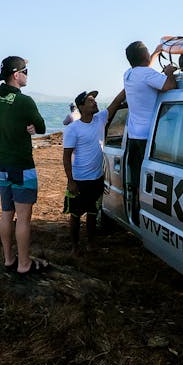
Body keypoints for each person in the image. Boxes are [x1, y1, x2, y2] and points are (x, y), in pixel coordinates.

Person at [0, 56, 48, 275]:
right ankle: (24, 264)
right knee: (23, 218)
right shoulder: (25, 101)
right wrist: (32, 126)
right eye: (26, 71)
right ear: (17, 75)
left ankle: (9, 259)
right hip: (22, 166)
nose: (27, 75)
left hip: (2, 164)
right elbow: (41, 126)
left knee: (6, 213)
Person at [62, 87, 126, 249]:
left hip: (97, 178)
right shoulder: (72, 129)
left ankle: (91, 244)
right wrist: (71, 181)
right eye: (90, 100)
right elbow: (66, 156)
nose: (94, 102)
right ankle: (75, 247)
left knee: (92, 213)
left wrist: (130, 81)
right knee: (75, 216)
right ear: (81, 107)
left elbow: (116, 102)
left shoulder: (100, 119)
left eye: (94, 99)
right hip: (79, 180)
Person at [123, 42, 177, 225]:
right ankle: (147, 215)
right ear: (144, 57)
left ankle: (136, 214)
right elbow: (169, 85)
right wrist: (169, 72)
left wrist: (156, 51)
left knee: (138, 178)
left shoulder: (129, 74)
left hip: (134, 135)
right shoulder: (147, 74)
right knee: (150, 179)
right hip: (149, 136)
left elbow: (146, 68)